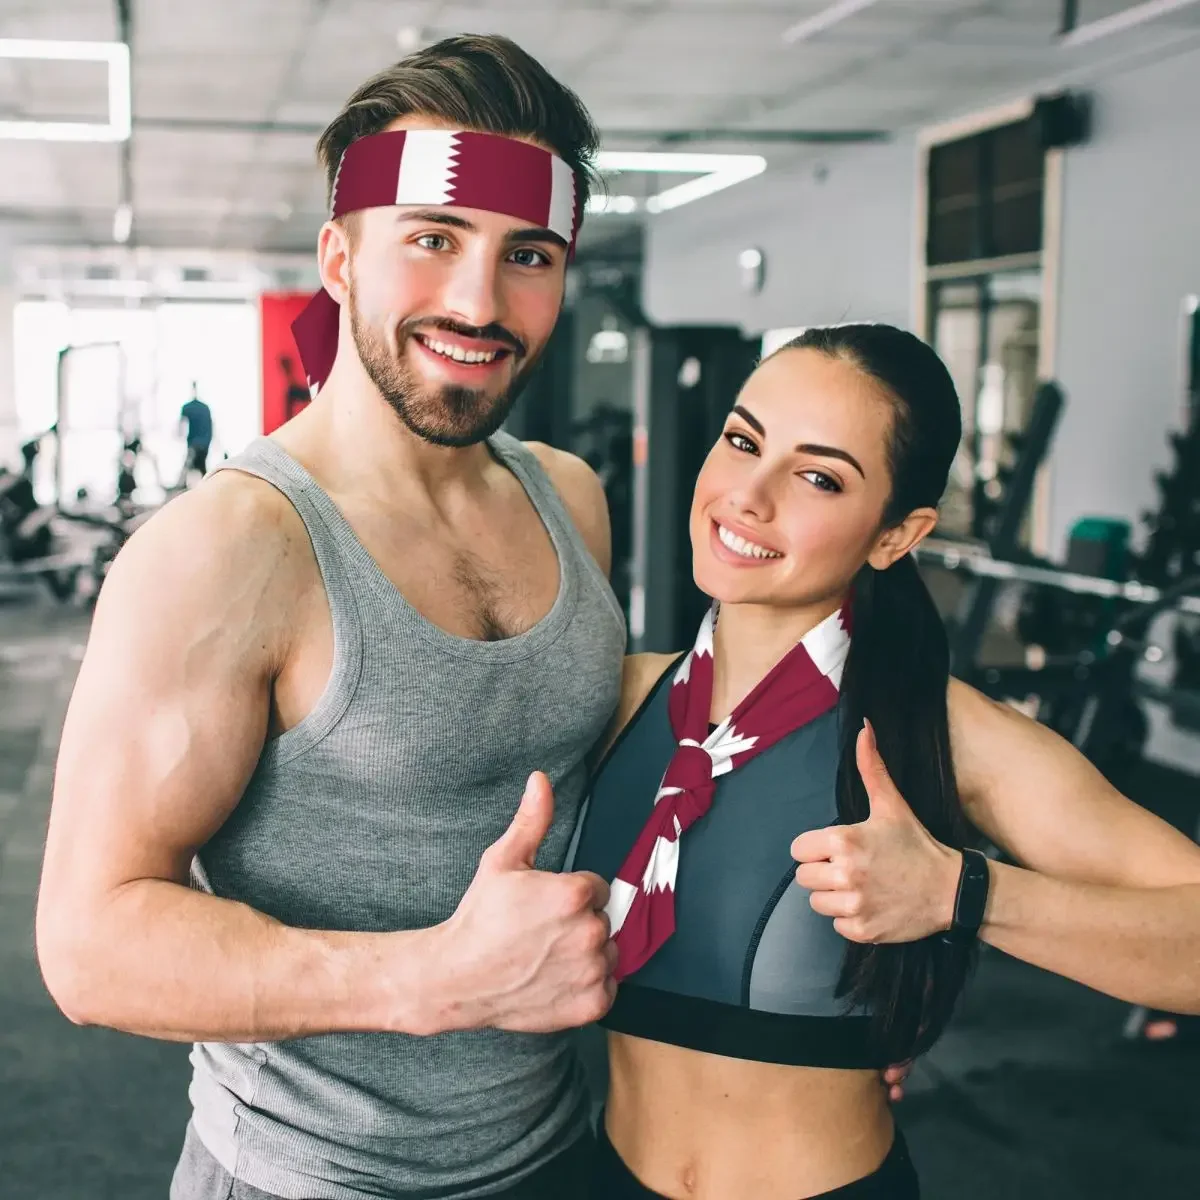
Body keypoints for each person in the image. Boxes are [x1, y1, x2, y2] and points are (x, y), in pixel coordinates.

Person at [36, 36, 627, 1200]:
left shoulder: (570, 498)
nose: (479, 300)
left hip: (562, 1150)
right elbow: (89, 945)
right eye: (432, 239)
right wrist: (434, 981)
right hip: (312, 1179)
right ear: (339, 258)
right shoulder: (227, 550)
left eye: (529, 254)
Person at [570, 323, 1200, 1199]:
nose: (748, 496)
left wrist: (961, 893)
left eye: (819, 476)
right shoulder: (620, 701)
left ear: (896, 535)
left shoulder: (939, 731)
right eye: (744, 441)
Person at [179, 382, 214, 482]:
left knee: (188, 469)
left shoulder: (187, 407)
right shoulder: (205, 408)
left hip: (194, 444)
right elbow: (211, 426)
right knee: (202, 469)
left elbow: (181, 426)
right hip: (204, 443)